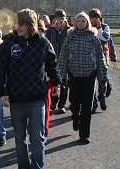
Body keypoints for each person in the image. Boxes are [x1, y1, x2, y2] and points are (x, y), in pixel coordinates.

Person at [0, 9, 61, 169]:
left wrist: (56, 83)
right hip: (16, 99)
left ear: (31, 24)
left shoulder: (43, 42)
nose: (18, 27)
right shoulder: (9, 43)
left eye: (22, 24)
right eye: (17, 23)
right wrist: (1, 92)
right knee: (20, 139)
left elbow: (52, 64)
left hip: (36, 98)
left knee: (37, 139)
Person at [57, 12, 108, 144]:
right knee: (74, 103)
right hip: (74, 74)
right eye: (78, 21)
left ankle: (84, 134)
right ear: (74, 23)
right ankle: (75, 117)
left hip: (89, 74)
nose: (80, 23)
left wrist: (103, 77)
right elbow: (63, 57)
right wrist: (61, 76)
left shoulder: (93, 37)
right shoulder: (70, 37)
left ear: (87, 23)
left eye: (83, 21)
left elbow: (100, 57)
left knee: (87, 104)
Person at [45, 9, 70, 114]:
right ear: (55, 19)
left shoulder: (69, 30)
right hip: (53, 60)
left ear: (65, 18)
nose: (60, 20)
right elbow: (46, 43)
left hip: (65, 60)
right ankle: (54, 100)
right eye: (58, 18)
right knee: (53, 81)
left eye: (62, 18)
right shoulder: (50, 30)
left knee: (64, 82)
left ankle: (62, 105)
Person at [89, 8, 111, 111]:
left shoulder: (105, 27)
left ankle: (101, 96)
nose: (94, 20)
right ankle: (93, 103)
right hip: (90, 57)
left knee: (102, 79)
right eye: (92, 18)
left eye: (96, 18)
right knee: (91, 80)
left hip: (102, 56)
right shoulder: (87, 27)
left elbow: (105, 39)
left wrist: (99, 29)